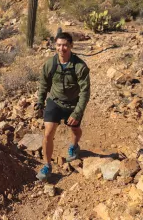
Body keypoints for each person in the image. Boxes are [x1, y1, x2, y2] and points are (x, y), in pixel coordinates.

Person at [34, 32, 90, 181]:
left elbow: (85, 92)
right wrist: (40, 101)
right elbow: (43, 84)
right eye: (58, 45)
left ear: (71, 46)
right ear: (55, 46)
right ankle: (47, 165)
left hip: (73, 104)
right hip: (55, 101)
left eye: (65, 45)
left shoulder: (80, 66)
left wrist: (77, 113)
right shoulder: (50, 64)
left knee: (75, 129)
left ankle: (74, 145)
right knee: (48, 133)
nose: (61, 48)